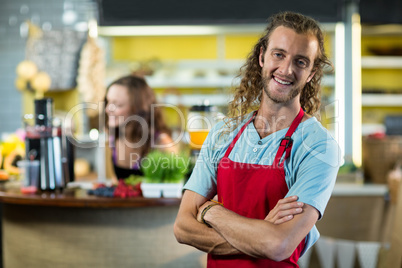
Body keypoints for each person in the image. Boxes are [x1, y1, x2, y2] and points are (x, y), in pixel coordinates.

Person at [174, 11, 340, 267]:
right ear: (262, 56)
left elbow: (279, 245)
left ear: (312, 73)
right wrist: (261, 234)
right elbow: (183, 227)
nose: (286, 69)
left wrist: (211, 211)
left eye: (300, 61)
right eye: (279, 54)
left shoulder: (319, 146)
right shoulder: (223, 134)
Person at [105, 75, 177, 180]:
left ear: (138, 109)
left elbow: (177, 186)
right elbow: (115, 182)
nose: (107, 109)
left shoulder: (162, 144)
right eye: (108, 102)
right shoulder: (113, 139)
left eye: (118, 104)